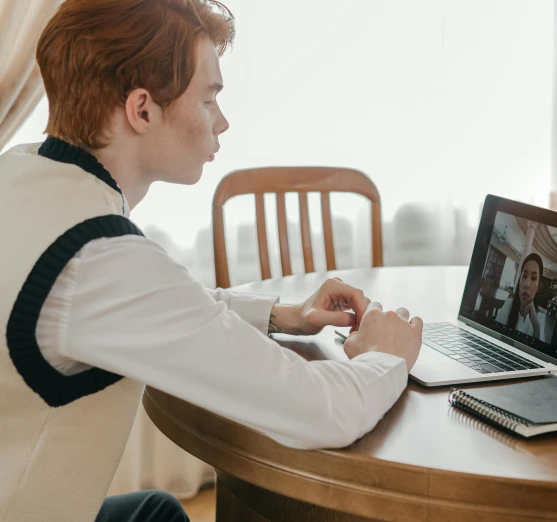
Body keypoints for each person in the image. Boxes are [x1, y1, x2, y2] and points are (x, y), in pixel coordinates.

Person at [0, 1, 422, 521]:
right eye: (208, 99)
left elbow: (142, 299)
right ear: (142, 110)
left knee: (155, 512)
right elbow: (322, 412)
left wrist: (276, 315)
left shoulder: (20, 175)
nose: (222, 122)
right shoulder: (97, 257)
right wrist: (389, 356)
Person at [495, 253, 547, 342]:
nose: (527, 284)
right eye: (524, 276)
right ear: (520, 281)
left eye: (533, 278)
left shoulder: (540, 318)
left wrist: (536, 325)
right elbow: (495, 334)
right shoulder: (508, 304)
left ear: (538, 287)